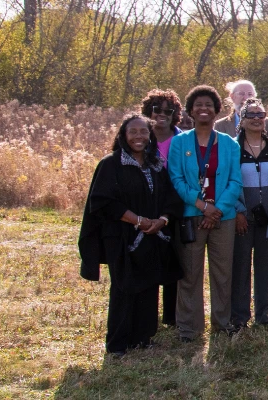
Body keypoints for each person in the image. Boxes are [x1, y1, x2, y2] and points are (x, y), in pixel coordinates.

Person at [80, 114, 182, 356]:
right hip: (121, 237)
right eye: (133, 132)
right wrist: (137, 220)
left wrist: (162, 220)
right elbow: (103, 202)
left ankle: (142, 338)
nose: (139, 136)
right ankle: (117, 345)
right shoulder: (111, 164)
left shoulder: (156, 165)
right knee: (124, 288)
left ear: (150, 136)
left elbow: (170, 197)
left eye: (144, 132)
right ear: (123, 135)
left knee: (149, 285)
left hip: (153, 235)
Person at [168, 85, 244, 341]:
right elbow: (176, 179)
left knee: (222, 273)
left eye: (208, 105)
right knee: (190, 273)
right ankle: (190, 328)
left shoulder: (229, 144)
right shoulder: (179, 143)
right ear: (190, 110)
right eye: (198, 105)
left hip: (224, 217)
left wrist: (218, 210)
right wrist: (202, 207)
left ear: (216, 111)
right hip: (192, 216)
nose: (203, 109)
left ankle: (222, 324)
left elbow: (235, 181)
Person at [230, 98, 268, 329]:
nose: (256, 119)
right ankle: (239, 317)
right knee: (240, 266)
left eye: (260, 114)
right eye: (251, 115)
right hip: (242, 219)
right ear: (241, 120)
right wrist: (237, 212)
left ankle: (263, 316)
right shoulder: (232, 149)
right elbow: (227, 180)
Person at [139, 89, 183, 327]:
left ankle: (171, 316)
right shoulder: (140, 137)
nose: (162, 115)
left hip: (175, 206)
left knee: (173, 258)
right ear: (149, 110)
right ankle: (146, 313)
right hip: (146, 206)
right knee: (147, 257)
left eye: (169, 111)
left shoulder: (183, 139)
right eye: (157, 109)